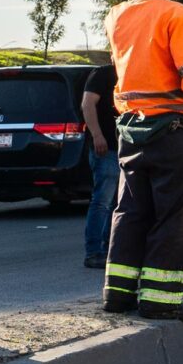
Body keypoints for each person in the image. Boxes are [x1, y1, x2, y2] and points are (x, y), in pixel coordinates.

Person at [101, 0, 183, 321]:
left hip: (132, 129)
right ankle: (160, 300)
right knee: (176, 213)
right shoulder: (176, 13)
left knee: (130, 210)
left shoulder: (115, 16)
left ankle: (118, 294)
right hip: (175, 129)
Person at [79, 57, 119, 270]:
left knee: (116, 204)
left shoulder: (133, 75)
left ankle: (109, 249)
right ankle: (94, 252)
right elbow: (87, 104)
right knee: (102, 201)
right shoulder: (102, 74)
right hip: (106, 149)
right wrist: (97, 136)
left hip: (126, 150)